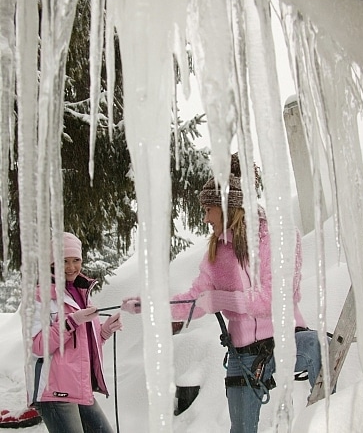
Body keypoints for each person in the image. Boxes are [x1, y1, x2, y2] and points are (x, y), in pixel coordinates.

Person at [121, 154, 323, 433]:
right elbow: (195, 300)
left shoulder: (279, 236)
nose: (204, 218)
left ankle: (330, 415)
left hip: (285, 342)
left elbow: (275, 299)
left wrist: (223, 300)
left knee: (316, 347)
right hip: (244, 356)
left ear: (228, 206)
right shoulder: (218, 252)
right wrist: (150, 305)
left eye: (208, 209)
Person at [27, 232, 122, 433]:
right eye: (64, 261)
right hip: (54, 390)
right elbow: (37, 346)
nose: (71, 267)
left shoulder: (81, 293)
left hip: (79, 385)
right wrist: (71, 322)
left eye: (76, 260)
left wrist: (104, 331)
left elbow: (80, 344)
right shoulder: (39, 296)